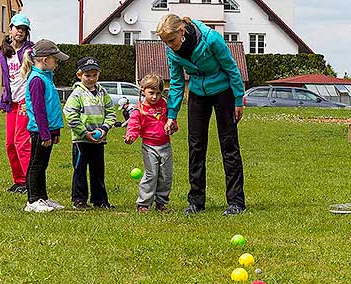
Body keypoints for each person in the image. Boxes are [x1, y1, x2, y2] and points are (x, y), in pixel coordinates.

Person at [156, 14, 246, 216]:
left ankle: (236, 202)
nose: (169, 46)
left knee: (229, 145)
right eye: (165, 42)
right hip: (197, 93)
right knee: (196, 146)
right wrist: (172, 115)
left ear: (182, 31)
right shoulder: (172, 52)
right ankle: (196, 202)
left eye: (171, 40)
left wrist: (238, 99)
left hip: (223, 92)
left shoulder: (211, 39)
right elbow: (177, 83)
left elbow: (231, 68)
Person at [21, 39, 69, 212]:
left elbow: (51, 107)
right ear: (44, 59)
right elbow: (39, 110)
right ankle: (32, 201)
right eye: (55, 59)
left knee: (43, 164)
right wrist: (45, 133)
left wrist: (54, 131)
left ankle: (42, 198)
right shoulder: (36, 80)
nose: (57, 63)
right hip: (39, 131)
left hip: (47, 131)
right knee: (36, 164)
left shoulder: (46, 78)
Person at [63, 56, 117, 210]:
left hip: (99, 139)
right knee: (80, 170)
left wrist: (104, 129)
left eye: (95, 75)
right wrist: (85, 133)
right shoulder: (76, 94)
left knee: (98, 171)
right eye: (87, 75)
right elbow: (70, 115)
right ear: (79, 75)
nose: (91, 79)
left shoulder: (103, 92)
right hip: (81, 141)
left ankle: (100, 200)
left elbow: (111, 113)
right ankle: (79, 200)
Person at [125, 74, 177, 213]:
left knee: (166, 175)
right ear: (143, 91)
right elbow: (134, 125)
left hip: (165, 145)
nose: (154, 97)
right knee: (151, 174)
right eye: (151, 93)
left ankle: (161, 203)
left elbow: (171, 119)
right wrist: (131, 136)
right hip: (149, 147)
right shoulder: (139, 110)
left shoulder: (165, 105)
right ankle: (143, 204)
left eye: (158, 93)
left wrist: (172, 126)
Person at [0, 14, 34, 194]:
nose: (20, 31)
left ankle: (30, 181)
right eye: (17, 27)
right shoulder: (4, 52)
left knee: (21, 141)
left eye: (23, 29)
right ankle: (19, 180)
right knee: (9, 144)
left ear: (27, 32)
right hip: (11, 101)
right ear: (10, 28)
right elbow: (7, 79)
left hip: (25, 102)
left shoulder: (30, 51)